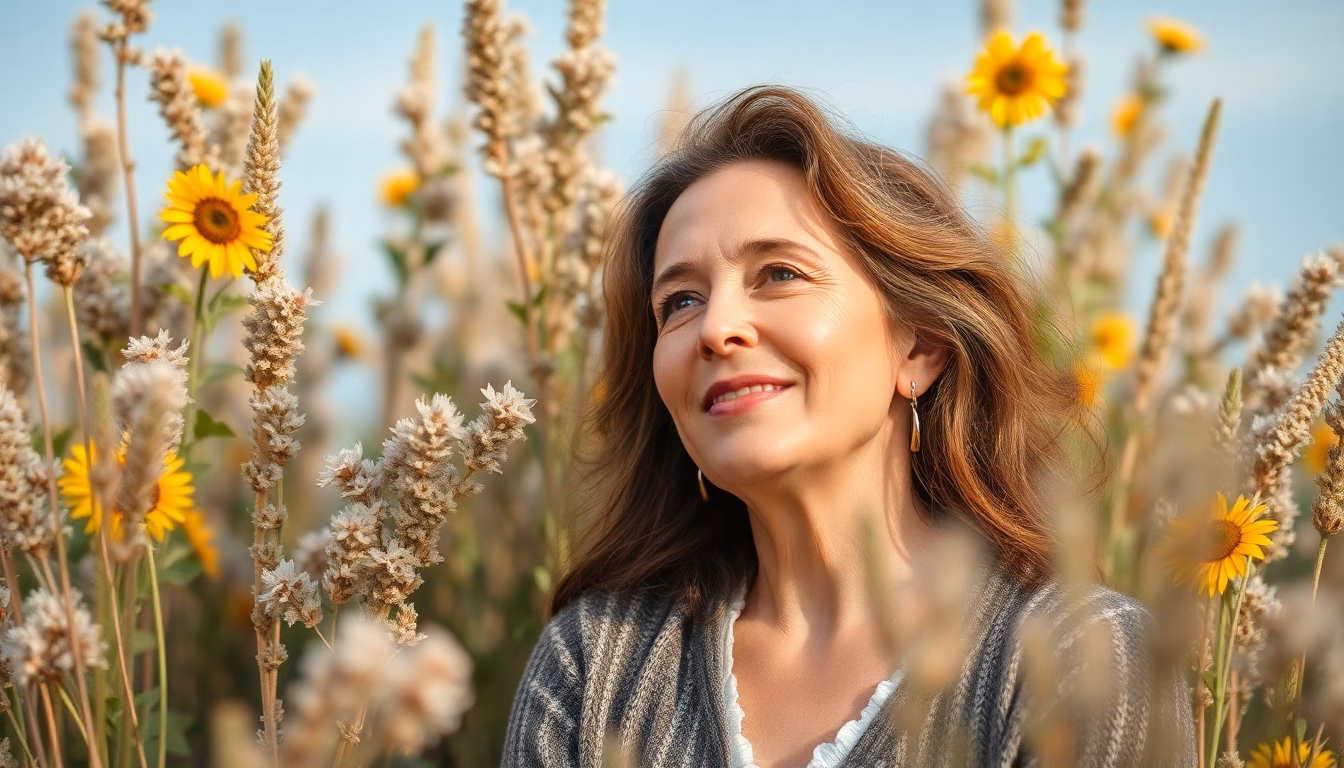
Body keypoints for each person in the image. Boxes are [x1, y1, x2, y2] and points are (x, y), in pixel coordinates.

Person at [501, 85, 1195, 768]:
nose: (716, 328)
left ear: (918, 347)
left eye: (778, 273)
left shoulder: (1082, 658)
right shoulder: (595, 665)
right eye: (679, 301)